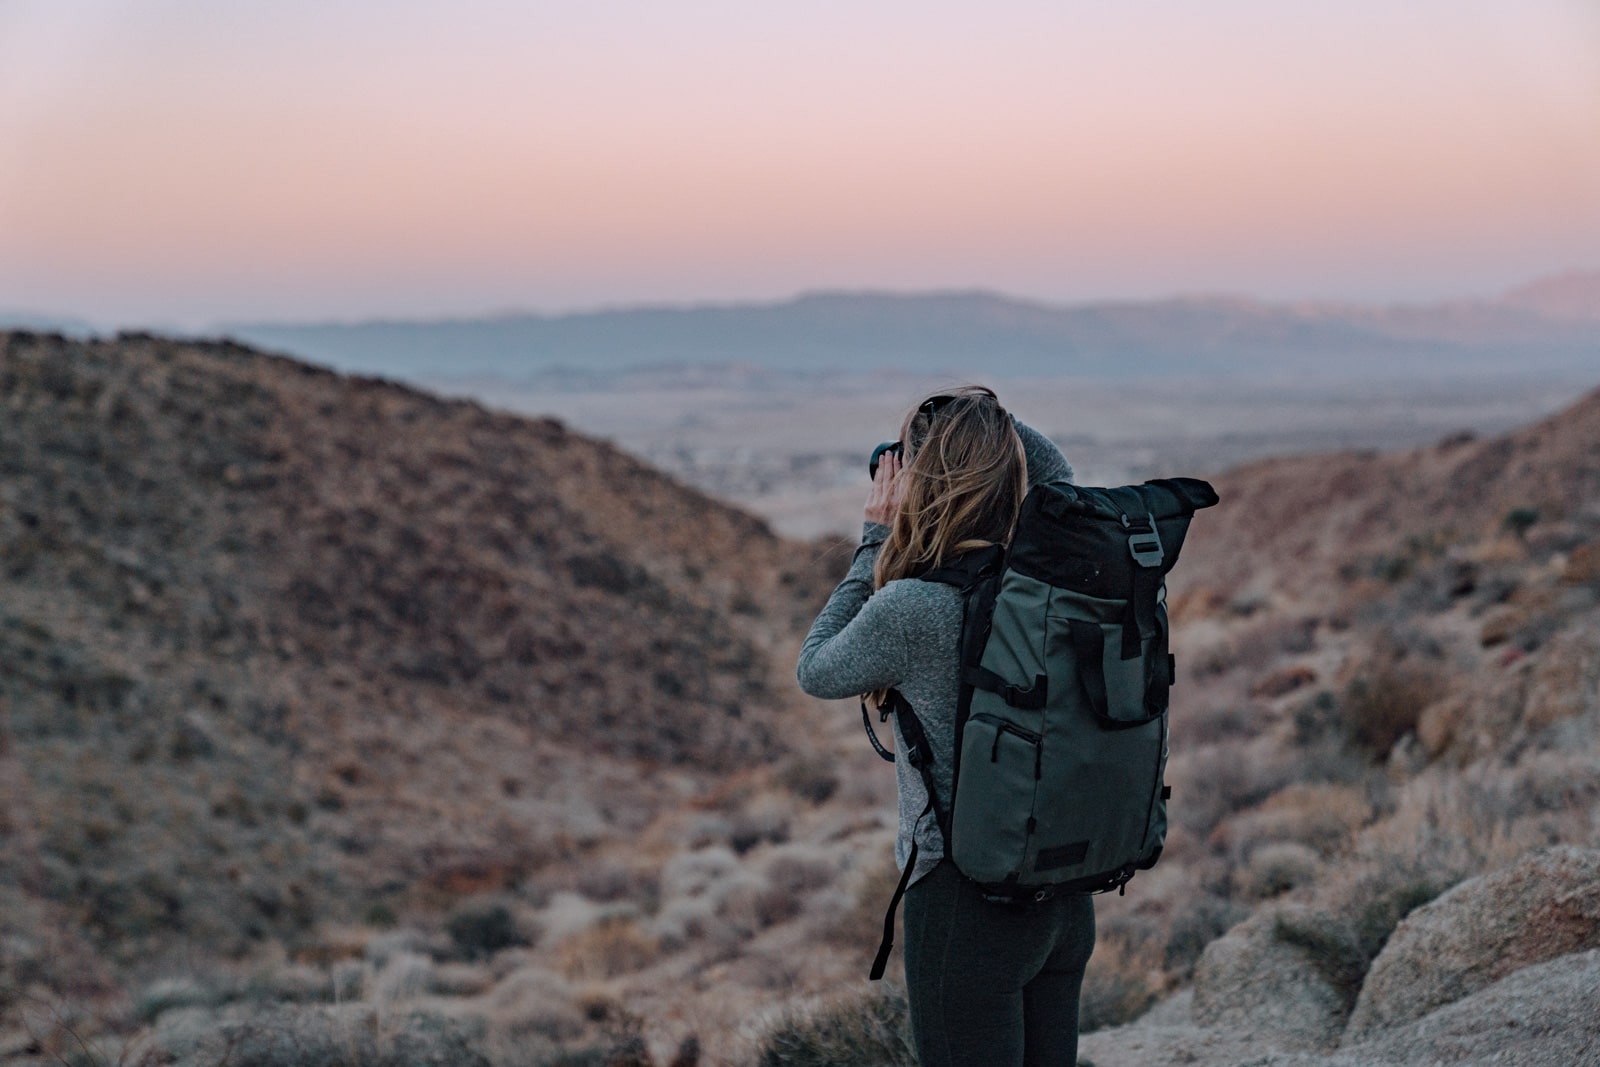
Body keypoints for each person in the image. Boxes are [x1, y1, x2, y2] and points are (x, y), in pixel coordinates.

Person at [796, 386, 1094, 1067]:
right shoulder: (1052, 577)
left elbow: (815, 668)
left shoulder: (913, 609)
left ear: (921, 485)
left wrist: (873, 539)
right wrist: (981, 426)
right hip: (1064, 898)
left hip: (967, 908)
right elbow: (1062, 475)